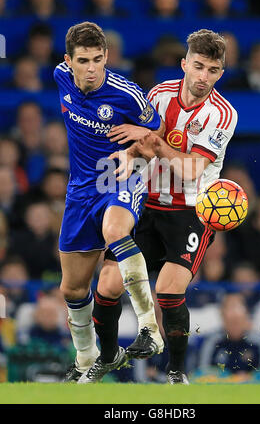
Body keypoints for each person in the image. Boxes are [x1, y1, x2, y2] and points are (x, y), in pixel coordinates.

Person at [101, 28, 238, 384]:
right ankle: (104, 359)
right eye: (198, 66)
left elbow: (192, 169)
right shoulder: (159, 95)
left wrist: (156, 146)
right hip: (147, 205)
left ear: (220, 73)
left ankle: (176, 372)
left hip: (191, 211)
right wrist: (130, 154)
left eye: (212, 70)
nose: (204, 77)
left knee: (168, 290)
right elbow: (141, 142)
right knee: (108, 283)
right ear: (184, 65)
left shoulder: (222, 115)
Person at [53, 21, 165, 383]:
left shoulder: (127, 94)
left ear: (107, 57)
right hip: (80, 190)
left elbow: (157, 127)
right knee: (72, 288)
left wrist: (142, 134)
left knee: (115, 230)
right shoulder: (60, 77)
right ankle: (88, 358)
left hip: (118, 176)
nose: (90, 68)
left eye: (98, 60)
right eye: (83, 60)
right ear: (68, 60)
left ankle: (149, 327)